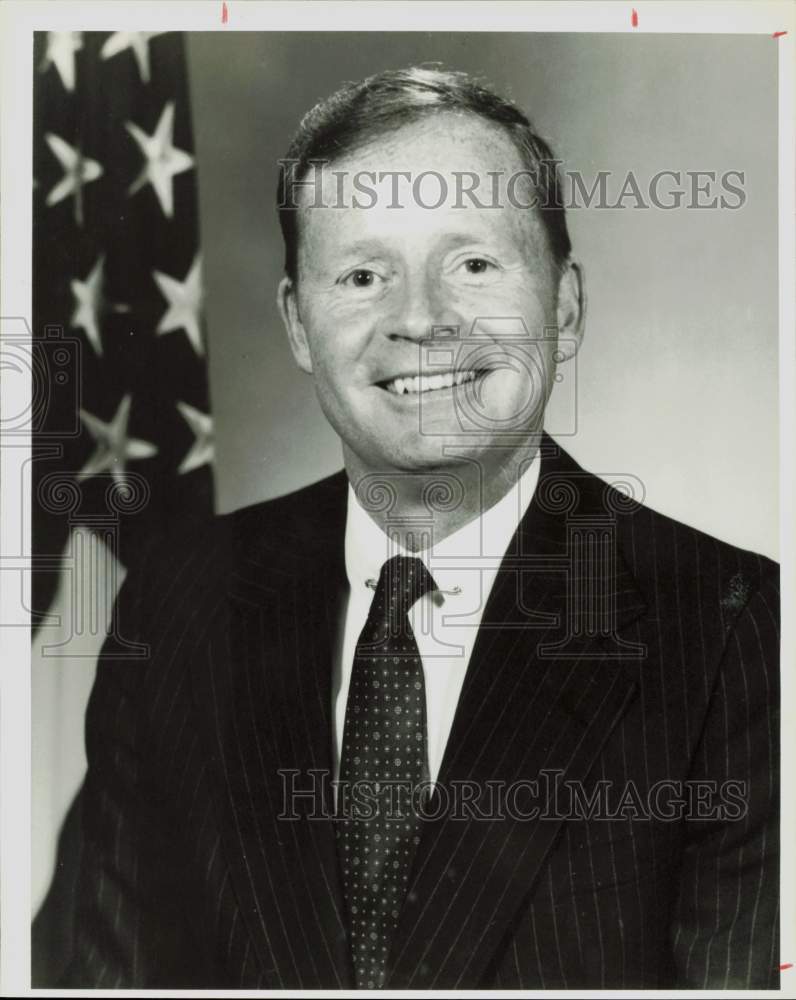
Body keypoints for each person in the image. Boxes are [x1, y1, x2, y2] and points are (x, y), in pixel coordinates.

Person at [48, 66, 779, 990]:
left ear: (564, 306)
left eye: (472, 263)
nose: (421, 320)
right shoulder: (179, 599)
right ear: (299, 326)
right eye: (362, 274)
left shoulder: (734, 626)